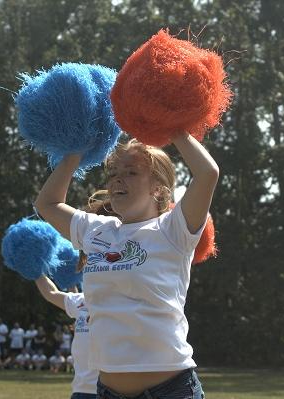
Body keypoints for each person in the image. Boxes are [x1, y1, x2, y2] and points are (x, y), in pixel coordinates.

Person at [34, 133, 217, 398]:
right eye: (113, 173)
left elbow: (207, 173)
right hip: (108, 391)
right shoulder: (95, 230)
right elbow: (46, 204)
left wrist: (174, 128)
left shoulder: (173, 229)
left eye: (131, 172)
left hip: (171, 391)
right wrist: (77, 148)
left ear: (159, 188)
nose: (117, 179)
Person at [35, 274, 98, 398]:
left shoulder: (118, 303)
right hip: (81, 389)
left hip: (108, 390)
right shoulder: (81, 300)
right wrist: (34, 268)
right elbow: (51, 293)